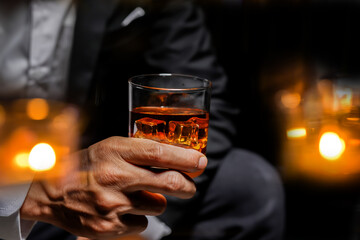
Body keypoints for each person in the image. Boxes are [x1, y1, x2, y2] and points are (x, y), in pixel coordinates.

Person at [0, 0, 285, 239]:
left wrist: (139, 219)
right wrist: (27, 196)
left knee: (249, 183)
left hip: (94, 183)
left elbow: (206, 98)